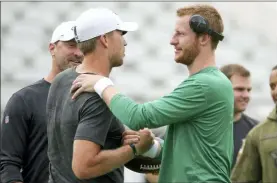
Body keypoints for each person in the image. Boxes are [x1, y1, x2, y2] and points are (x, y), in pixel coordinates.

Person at [70, 4, 234, 182]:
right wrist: (149, 147)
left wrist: (101, 84)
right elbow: (189, 152)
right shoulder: (207, 82)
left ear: (204, 38)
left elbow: (139, 117)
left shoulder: (205, 84)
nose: (172, 40)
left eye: (180, 34)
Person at [46, 8, 155, 183]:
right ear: (104, 39)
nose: (125, 42)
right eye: (121, 33)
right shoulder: (99, 96)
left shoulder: (61, 79)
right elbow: (84, 167)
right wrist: (136, 149)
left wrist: (117, 136)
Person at [0, 21, 83, 183]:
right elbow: (8, 164)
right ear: (52, 48)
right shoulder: (24, 100)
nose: (79, 53)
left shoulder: (95, 99)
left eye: (84, 47)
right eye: (72, 45)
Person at [231, 64, 277, 182]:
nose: (276, 91)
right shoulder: (258, 134)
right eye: (272, 87)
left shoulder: (254, 128)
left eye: (249, 90)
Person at [220, 64, 259, 167]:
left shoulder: (256, 130)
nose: (246, 95)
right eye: (240, 89)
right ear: (221, 89)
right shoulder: (202, 128)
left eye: (249, 90)